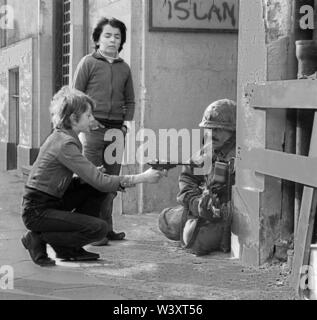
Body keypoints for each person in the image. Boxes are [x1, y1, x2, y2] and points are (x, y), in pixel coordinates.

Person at [21, 87, 165, 267]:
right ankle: (38, 237)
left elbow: (88, 179)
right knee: (99, 228)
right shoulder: (65, 143)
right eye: (88, 116)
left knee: (94, 185)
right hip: (38, 210)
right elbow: (101, 182)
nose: (92, 119)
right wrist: (143, 177)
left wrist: (93, 175)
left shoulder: (64, 137)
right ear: (74, 118)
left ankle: (69, 249)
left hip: (50, 200)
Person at [72, 17, 135, 243]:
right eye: (107, 35)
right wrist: (86, 122)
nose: (112, 40)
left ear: (121, 42)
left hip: (116, 132)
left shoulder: (124, 68)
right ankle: (92, 231)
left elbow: (131, 100)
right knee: (91, 180)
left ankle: (107, 229)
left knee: (111, 181)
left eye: (117, 36)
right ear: (98, 39)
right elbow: (76, 96)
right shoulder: (88, 63)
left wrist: (126, 124)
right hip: (92, 131)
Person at [158, 99, 236, 256]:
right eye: (209, 129)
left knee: (197, 241)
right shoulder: (207, 152)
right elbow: (187, 179)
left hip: (229, 217)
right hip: (204, 210)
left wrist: (221, 208)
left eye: (219, 129)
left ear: (233, 131)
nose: (212, 134)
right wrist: (197, 204)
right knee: (165, 221)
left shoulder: (240, 155)